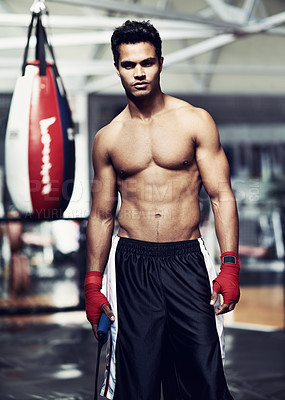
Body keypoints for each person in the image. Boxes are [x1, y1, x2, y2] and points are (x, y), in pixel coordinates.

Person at [85, 20, 240, 400]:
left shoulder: (194, 120)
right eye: (128, 64)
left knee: (204, 376)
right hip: (131, 263)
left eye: (147, 62)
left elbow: (221, 194)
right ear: (117, 67)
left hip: (186, 257)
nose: (139, 73)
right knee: (135, 378)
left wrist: (230, 265)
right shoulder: (108, 138)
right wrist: (92, 282)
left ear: (161, 63)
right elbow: (102, 215)